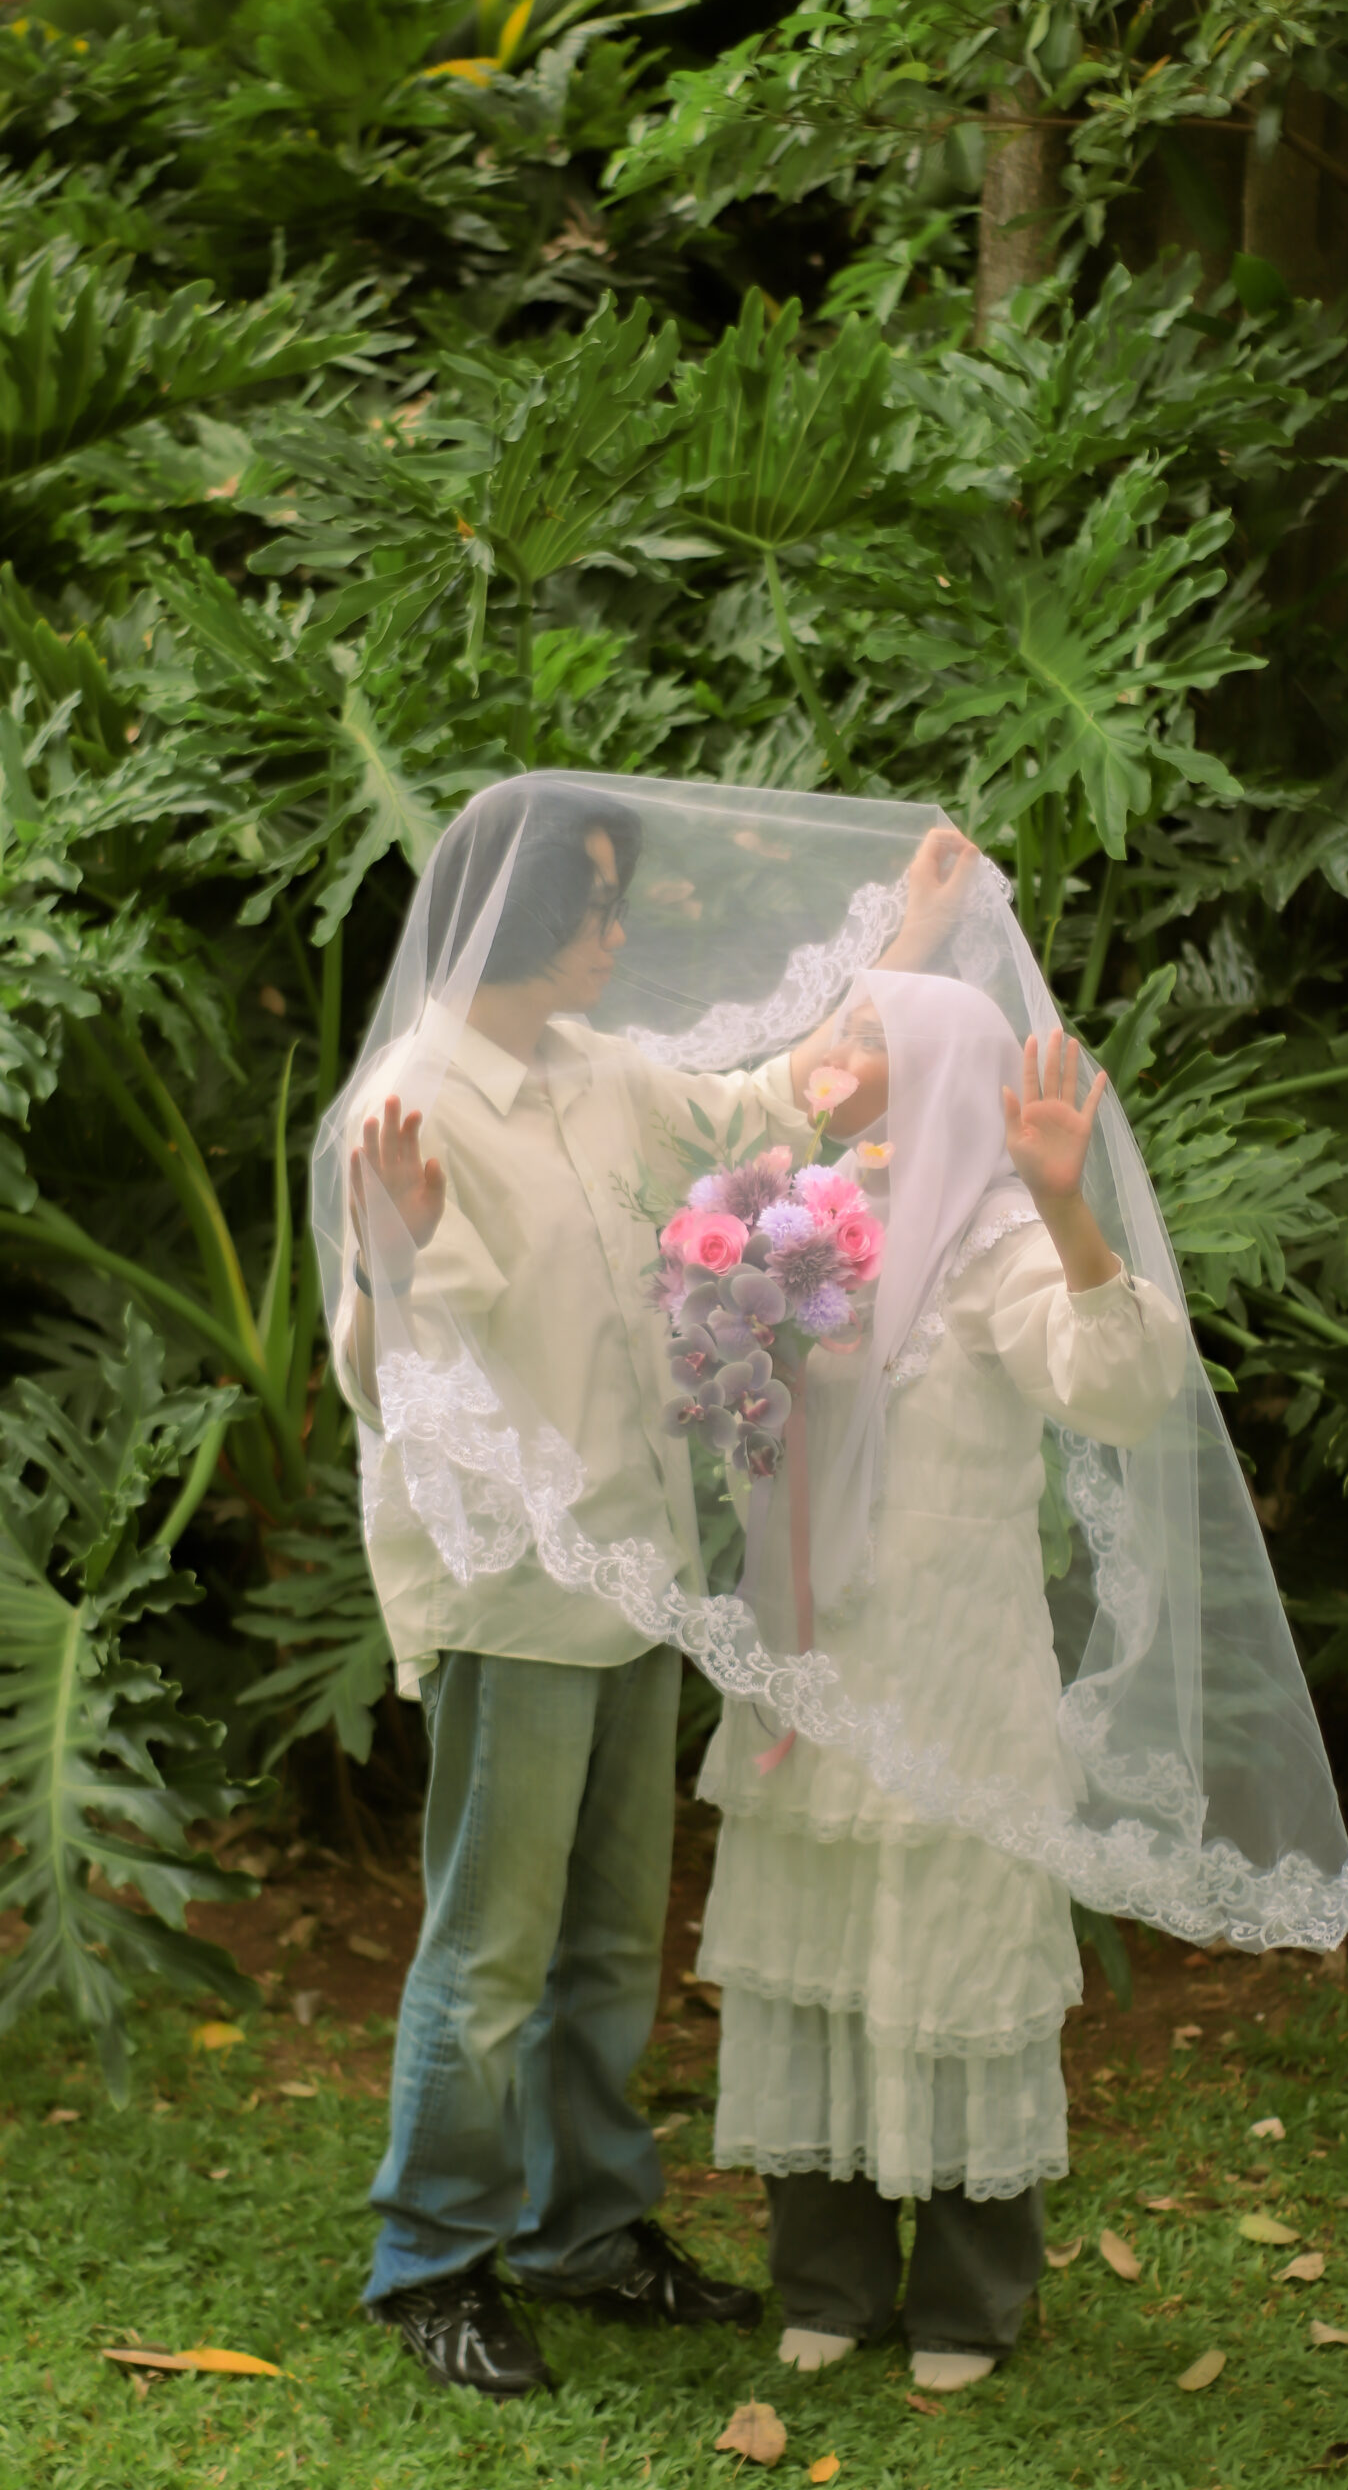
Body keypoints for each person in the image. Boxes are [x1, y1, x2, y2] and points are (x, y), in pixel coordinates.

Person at [330, 782, 974, 2398]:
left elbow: (764, 1107)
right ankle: (432, 2262)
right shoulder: (413, 1108)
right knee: (494, 1948)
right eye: (597, 905)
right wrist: (393, 1258)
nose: (618, 933)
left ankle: (586, 2232)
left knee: (613, 1939)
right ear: (520, 915)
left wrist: (906, 942)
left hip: (638, 1571)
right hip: (514, 1590)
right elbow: (389, 1375)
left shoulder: (593, 1072)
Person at [693, 976, 1189, 2390]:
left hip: (953, 1659)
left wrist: (1066, 1209)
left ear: (935, 1068)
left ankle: (970, 2296)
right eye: (844, 1029)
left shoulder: (998, 1236)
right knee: (817, 1944)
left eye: (869, 1036)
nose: (836, 1054)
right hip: (816, 1652)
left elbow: (1122, 1386)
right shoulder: (793, 1217)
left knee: (956, 1942)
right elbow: (744, 1417)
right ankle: (827, 2279)